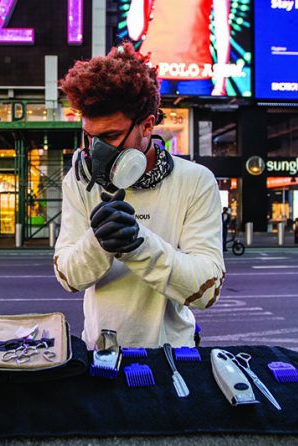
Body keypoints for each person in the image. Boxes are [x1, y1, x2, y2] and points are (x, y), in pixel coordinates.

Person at [53, 43, 226, 349]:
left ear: (147, 126)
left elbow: (207, 290)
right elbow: (68, 277)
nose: (97, 152)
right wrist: (98, 242)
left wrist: (138, 244)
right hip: (100, 352)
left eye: (111, 137)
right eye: (90, 137)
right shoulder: (79, 182)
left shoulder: (195, 181)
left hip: (174, 355)